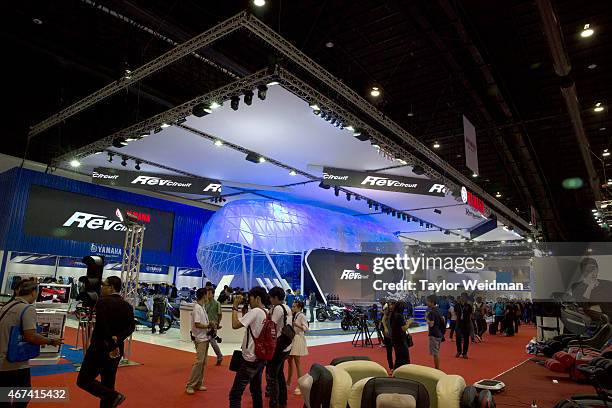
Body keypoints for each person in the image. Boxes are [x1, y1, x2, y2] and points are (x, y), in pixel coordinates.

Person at [1, 279, 63, 408]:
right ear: (34, 292)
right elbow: (31, 336)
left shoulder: (7, 305)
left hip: (3, 358)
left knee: (4, 397)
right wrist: (51, 341)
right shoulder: (28, 309)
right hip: (14, 362)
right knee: (23, 395)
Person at [77, 276, 135, 408]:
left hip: (100, 348)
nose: (102, 288)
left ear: (112, 287)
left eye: (105, 285)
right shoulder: (127, 305)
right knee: (108, 383)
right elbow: (131, 327)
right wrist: (118, 339)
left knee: (83, 380)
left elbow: (103, 327)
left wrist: (111, 341)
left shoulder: (102, 302)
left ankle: (114, 396)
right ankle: (111, 397)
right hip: (116, 350)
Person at [228, 287, 268, 408]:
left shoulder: (255, 312)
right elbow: (251, 326)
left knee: (235, 394)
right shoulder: (266, 312)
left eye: (250, 298)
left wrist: (234, 306)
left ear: (257, 298)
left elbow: (235, 325)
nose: (249, 301)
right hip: (260, 357)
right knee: (256, 391)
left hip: (250, 359)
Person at [267, 287, 293, 408]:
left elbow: (270, 325)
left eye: (271, 297)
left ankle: (274, 402)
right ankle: (283, 401)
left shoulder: (277, 308)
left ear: (276, 298)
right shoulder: (287, 307)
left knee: (272, 375)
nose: (270, 300)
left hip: (277, 345)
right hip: (286, 346)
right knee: (280, 374)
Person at [185, 288, 211, 395]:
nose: (208, 297)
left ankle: (198, 383)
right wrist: (208, 326)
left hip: (205, 337)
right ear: (204, 296)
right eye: (207, 294)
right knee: (199, 362)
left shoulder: (201, 307)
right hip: (200, 339)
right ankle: (190, 385)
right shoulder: (197, 308)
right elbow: (197, 324)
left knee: (203, 362)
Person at [287, 300, 308, 396]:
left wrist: (296, 325)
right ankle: (288, 382)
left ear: (299, 307)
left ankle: (300, 385)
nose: (293, 308)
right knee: (289, 361)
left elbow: (306, 328)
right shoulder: (294, 315)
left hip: (298, 339)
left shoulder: (302, 316)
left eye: (294, 306)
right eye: (293, 306)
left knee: (297, 363)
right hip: (292, 339)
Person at [204, 287, 224, 366]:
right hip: (205, 325)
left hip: (213, 325)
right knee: (205, 342)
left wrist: (217, 324)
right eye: (207, 293)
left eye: (209, 293)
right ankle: (204, 359)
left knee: (212, 342)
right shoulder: (205, 303)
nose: (208, 295)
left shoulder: (217, 303)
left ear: (213, 294)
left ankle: (219, 356)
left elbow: (220, 315)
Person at [390, 301, 413, 368]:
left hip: (395, 338)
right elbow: (404, 328)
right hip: (400, 339)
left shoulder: (393, 314)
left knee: (398, 357)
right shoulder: (400, 316)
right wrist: (409, 323)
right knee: (404, 358)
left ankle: (396, 371)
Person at [426, 295, 444, 370]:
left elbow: (431, 324)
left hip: (434, 334)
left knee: (435, 353)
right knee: (437, 351)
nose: (427, 303)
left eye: (428, 301)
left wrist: (426, 319)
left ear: (432, 302)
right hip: (439, 333)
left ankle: (437, 368)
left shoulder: (431, 312)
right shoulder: (439, 310)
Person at [454, 293, 473, 359]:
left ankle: (465, 353)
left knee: (466, 339)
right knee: (458, 338)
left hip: (466, 324)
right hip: (459, 323)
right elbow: (456, 312)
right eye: (462, 297)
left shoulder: (469, 306)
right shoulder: (457, 305)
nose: (463, 298)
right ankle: (459, 351)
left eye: (464, 297)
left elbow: (470, 314)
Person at [381, 300, 395, 371]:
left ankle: (397, 366)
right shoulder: (387, 312)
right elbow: (383, 320)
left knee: (397, 351)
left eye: (392, 305)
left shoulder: (396, 313)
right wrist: (385, 328)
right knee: (389, 352)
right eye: (389, 305)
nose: (391, 306)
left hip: (395, 335)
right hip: (388, 335)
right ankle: (391, 367)